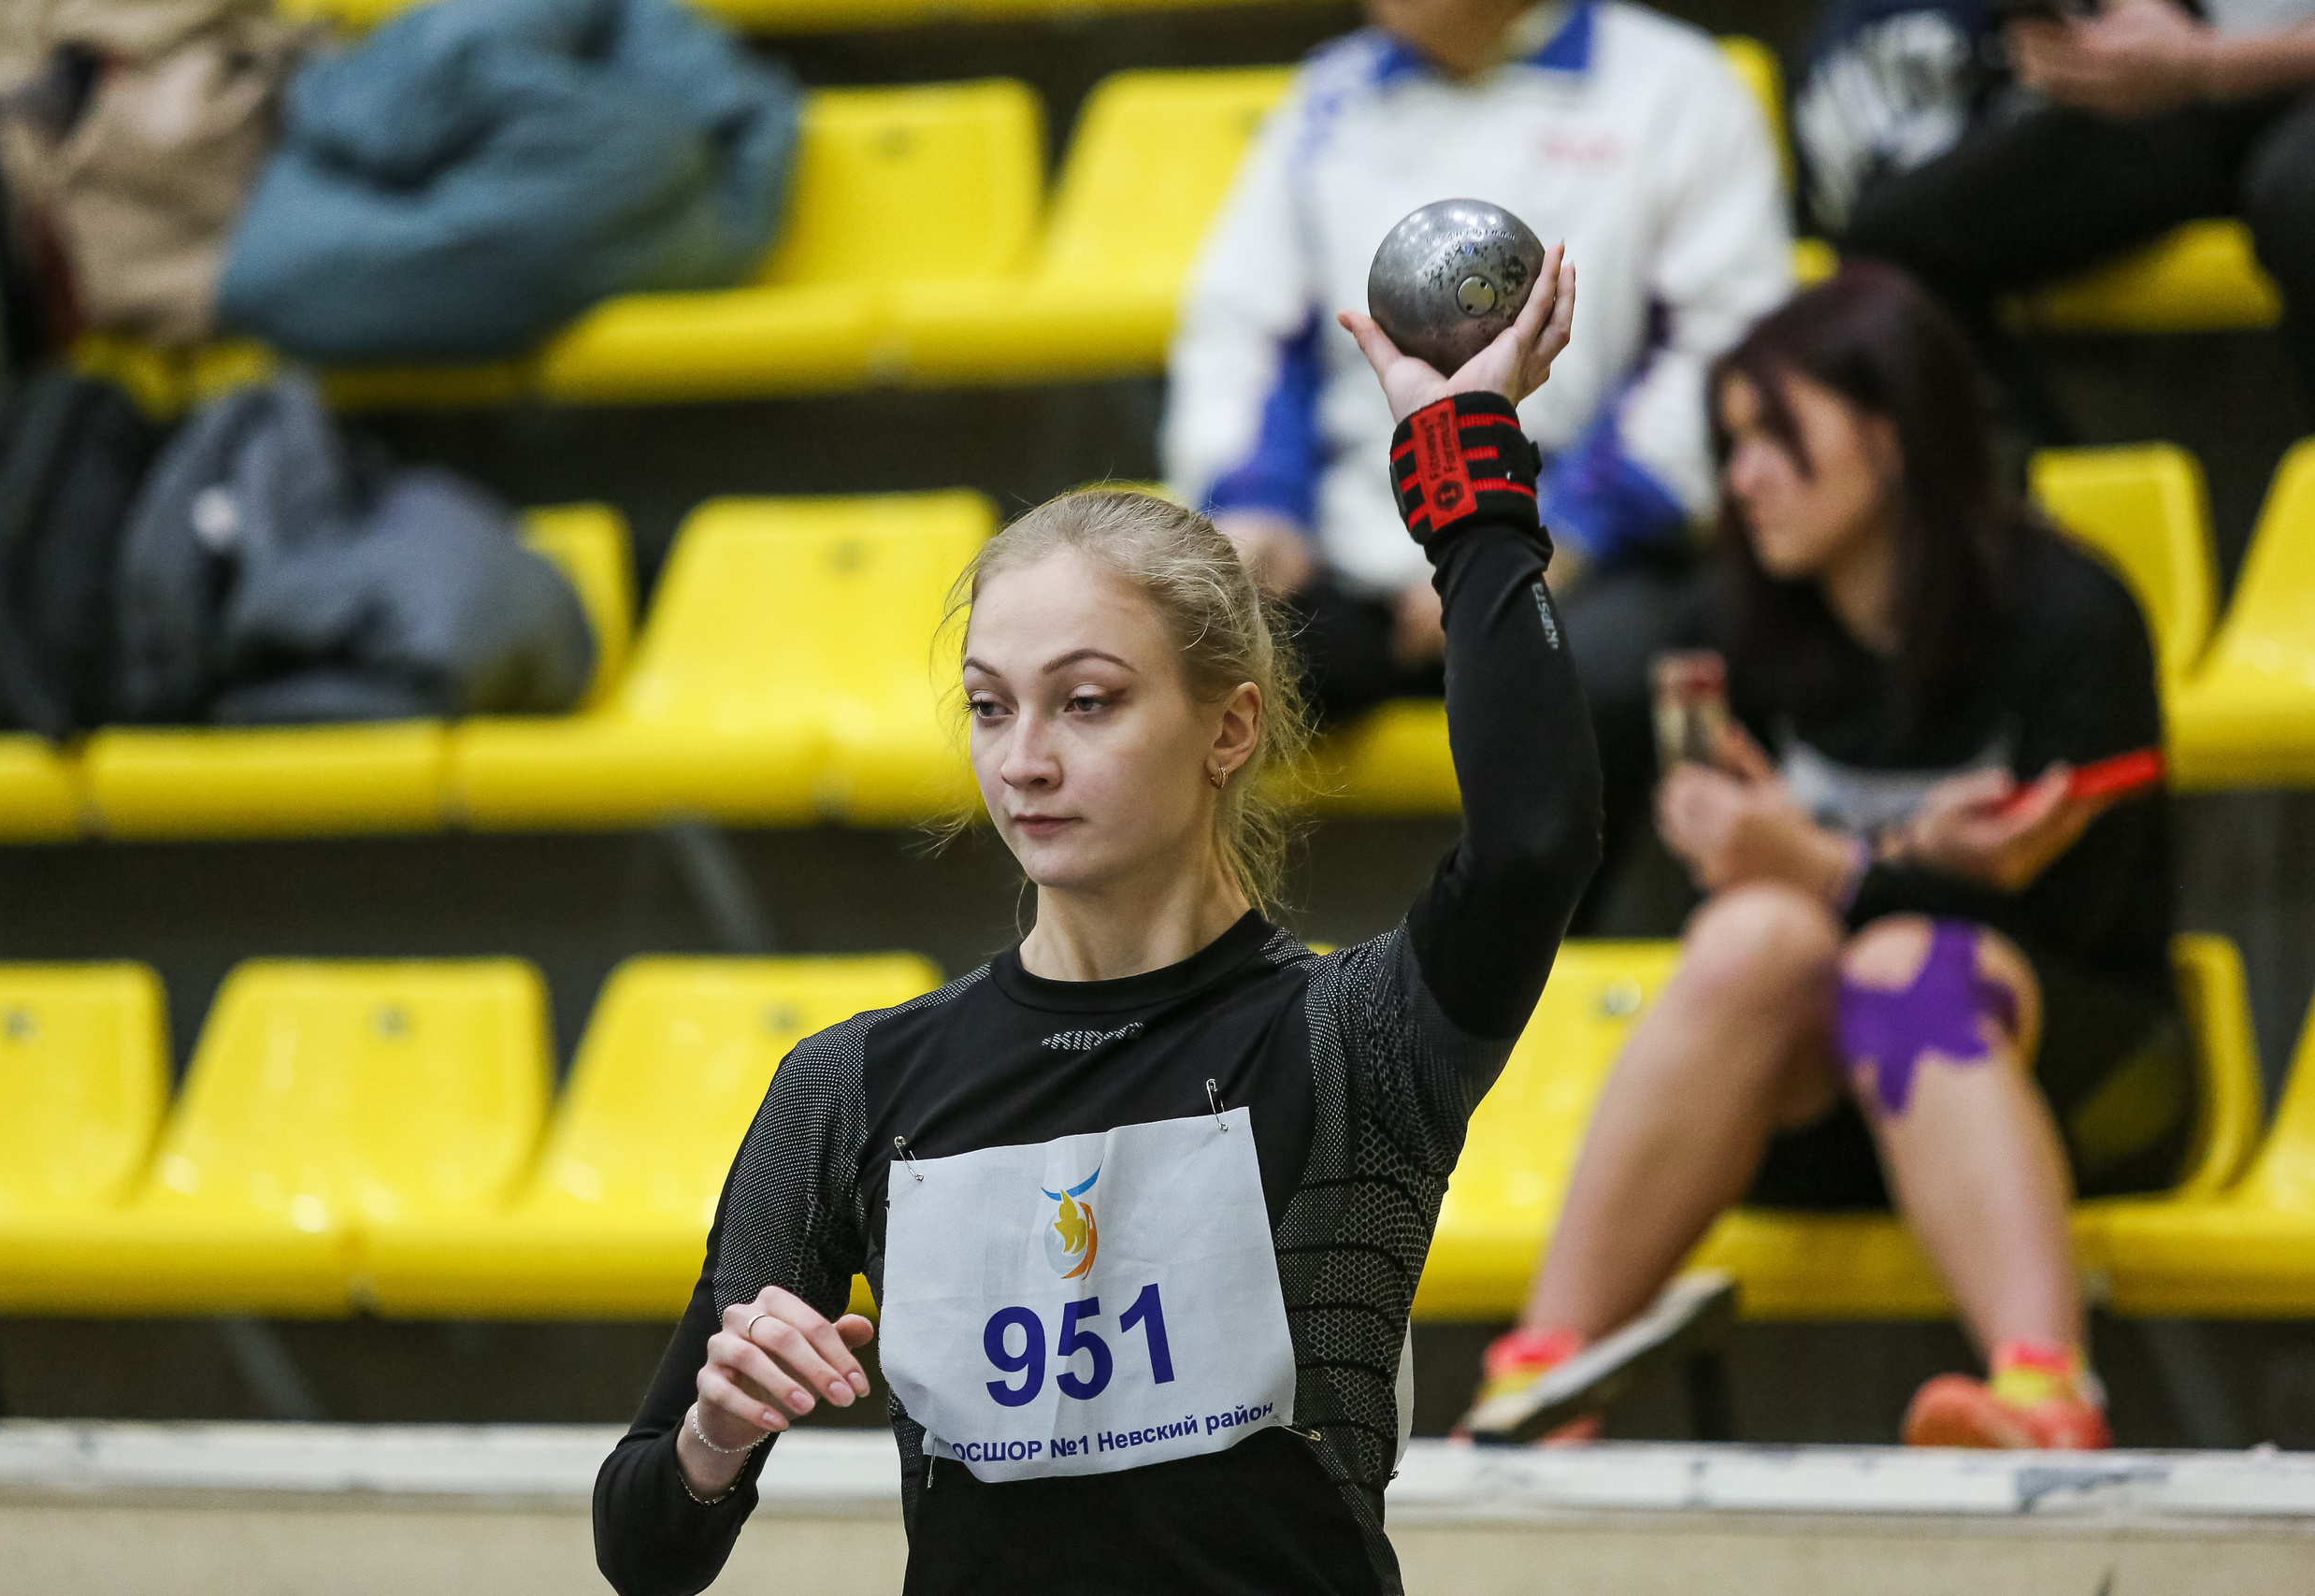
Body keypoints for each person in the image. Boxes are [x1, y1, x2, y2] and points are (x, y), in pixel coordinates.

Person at [594, 252, 1599, 1594]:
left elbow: (1535, 838)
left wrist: (1463, 461)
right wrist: (714, 1437)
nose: (1023, 760)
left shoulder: (1352, 1043)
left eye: (1086, 702)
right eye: (989, 705)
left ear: (1229, 728)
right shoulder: (851, 1087)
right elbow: (643, 1549)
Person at [1462, 262, 2193, 1450]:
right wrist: (1838, 865)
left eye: (1777, 437)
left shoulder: (2069, 616)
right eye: (1732, 443)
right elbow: (1742, 900)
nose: (1742, 478)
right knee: (1753, 937)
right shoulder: (1732, 631)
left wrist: (1836, 869)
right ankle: (1541, 1383)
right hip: (1815, 1110)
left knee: (1907, 964)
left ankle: (2045, 1395)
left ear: (1892, 434)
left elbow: (2074, 916)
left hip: (2080, 1080)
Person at [1162, 0, 1792, 924]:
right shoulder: (1328, 97)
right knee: (1172, 656)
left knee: (1607, 672)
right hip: (1357, 558)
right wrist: (1259, 504)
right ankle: (1193, 975)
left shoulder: (1678, 89)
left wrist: (1549, 538)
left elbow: (1721, 350)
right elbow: (1246, 330)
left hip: (1588, 561)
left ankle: (1548, 966)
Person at [1834, 0, 2315, 426]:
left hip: (2268, 78)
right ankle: (2021, 490)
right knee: (1893, 243)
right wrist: (2115, 33)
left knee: (2296, 199)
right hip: (2190, 75)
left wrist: (2209, 62)